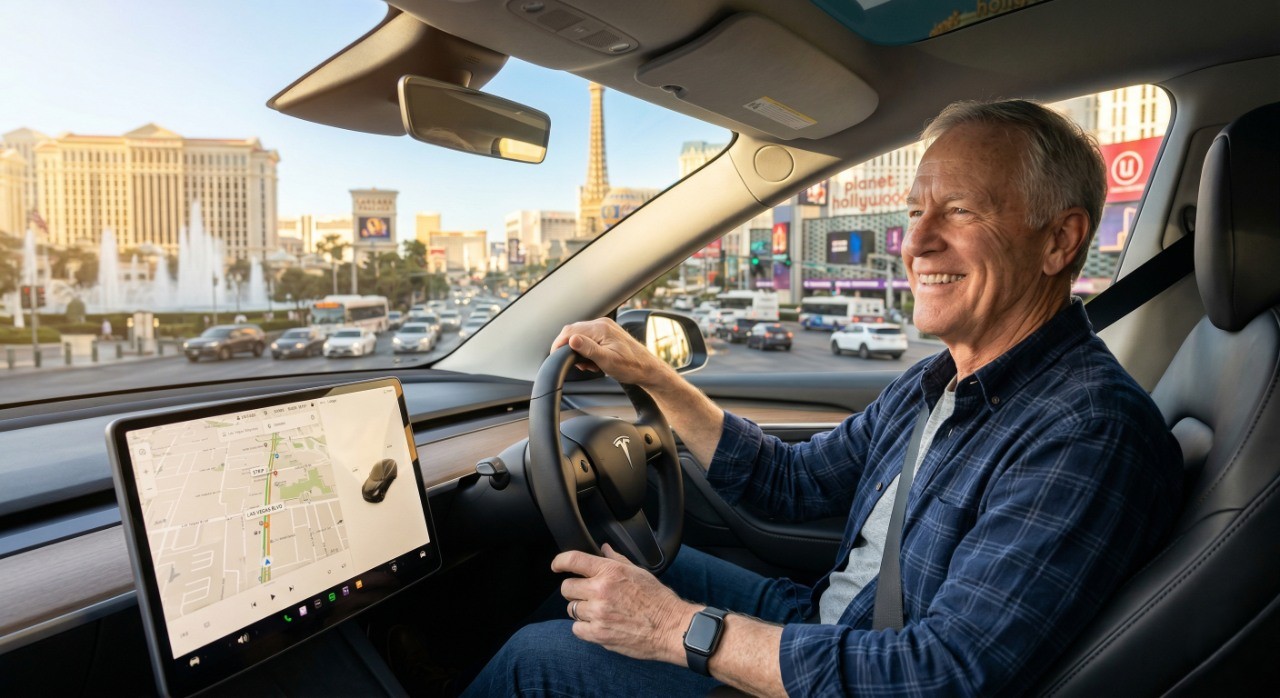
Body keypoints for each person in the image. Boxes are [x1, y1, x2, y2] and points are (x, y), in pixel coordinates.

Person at [464, 100, 1183, 696]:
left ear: (1060, 241)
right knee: (592, 553)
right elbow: (792, 483)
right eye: (916, 211)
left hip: (864, 668)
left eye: (958, 212)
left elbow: (942, 676)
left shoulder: (1087, 430)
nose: (915, 242)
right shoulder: (941, 379)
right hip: (832, 621)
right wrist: (654, 377)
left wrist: (671, 629)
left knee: (538, 659)